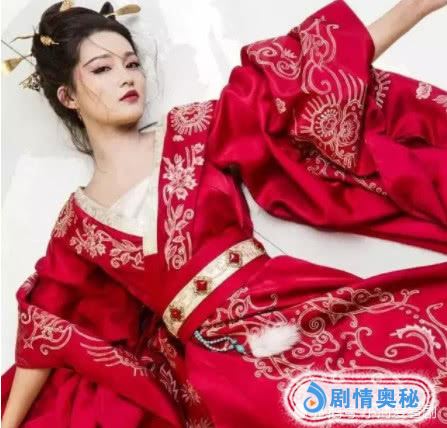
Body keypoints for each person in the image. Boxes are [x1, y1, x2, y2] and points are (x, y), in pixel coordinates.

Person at [1, 0, 447, 426]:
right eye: (103, 69)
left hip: (283, 303)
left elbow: (303, 82)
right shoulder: (77, 225)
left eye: (131, 63)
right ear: (68, 96)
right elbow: (42, 329)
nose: (126, 77)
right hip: (215, 358)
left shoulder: (194, 130)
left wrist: (413, 9)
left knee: (411, 365)